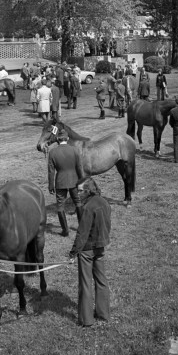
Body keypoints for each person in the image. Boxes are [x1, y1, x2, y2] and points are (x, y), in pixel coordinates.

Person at [69, 177, 111, 327]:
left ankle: (86, 320)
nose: (77, 194)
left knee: (85, 284)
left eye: (80, 191)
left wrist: (73, 253)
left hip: (87, 251)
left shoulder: (87, 207)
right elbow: (107, 225)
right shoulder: (105, 202)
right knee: (101, 281)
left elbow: (82, 233)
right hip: (100, 248)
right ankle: (103, 314)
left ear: (88, 190)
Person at [48, 130, 83, 236]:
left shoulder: (53, 152)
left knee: (60, 206)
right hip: (74, 180)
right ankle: (82, 228)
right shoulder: (74, 150)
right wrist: (81, 182)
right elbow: (79, 167)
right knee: (78, 202)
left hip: (60, 181)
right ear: (67, 139)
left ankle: (65, 230)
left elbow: (51, 171)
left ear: (58, 140)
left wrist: (51, 185)